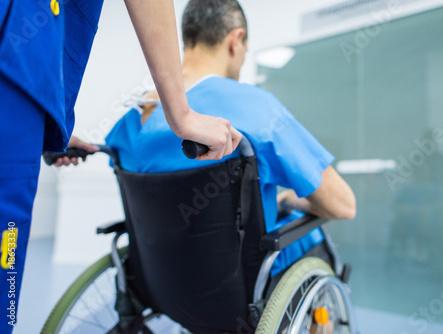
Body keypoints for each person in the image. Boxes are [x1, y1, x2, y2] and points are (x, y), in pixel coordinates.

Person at [0, 0, 240, 331]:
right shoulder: (244, 113)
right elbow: (335, 199)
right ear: (236, 40)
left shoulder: (131, 119)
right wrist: (181, 116)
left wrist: (46, 129)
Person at [105, 0, 356, 281]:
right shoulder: (255, 108)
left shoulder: (129, 121)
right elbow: (343, 204)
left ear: (188, 37)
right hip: (240, 286)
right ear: (236, 41)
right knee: (309, 235)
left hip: (163, 281)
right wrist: (290, 200)